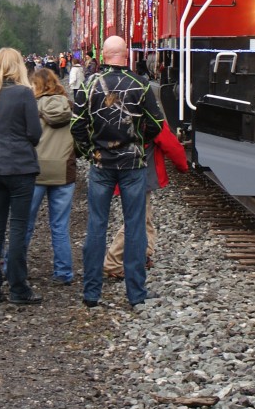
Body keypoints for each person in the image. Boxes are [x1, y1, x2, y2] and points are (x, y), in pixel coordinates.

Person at [73, 35, 163, 308]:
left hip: (101, 165)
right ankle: (136, 295)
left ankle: (91, 294)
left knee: (96, 226)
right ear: (126, 55)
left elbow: (76, 125)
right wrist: (138, 141)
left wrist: (91, 151)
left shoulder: (89, 85)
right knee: (135, 228)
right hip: (132, 165)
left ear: (103, 54)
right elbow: (157, 124)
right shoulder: (141, 85)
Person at [0, 47, 43, 305]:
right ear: (18, 66)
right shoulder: (24, 94)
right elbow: (34, 133)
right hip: (20, 167)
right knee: (17, 227)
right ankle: (18, 288)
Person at [103, 83, 188, 279]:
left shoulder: (113, 115)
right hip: (141, 174)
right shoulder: (150, 118)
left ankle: (144, 253)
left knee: (145, 216)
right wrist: (182, 166)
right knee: (138, 218)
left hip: (117, 171)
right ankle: (113, 262)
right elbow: (171, 145)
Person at [26, 67, 76, 285]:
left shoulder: (31, 107)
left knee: (24, 223)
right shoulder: (69, 107)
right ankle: (64, 272)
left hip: (35, 170)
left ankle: (12, 267)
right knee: (60, 225)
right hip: (63, 171)